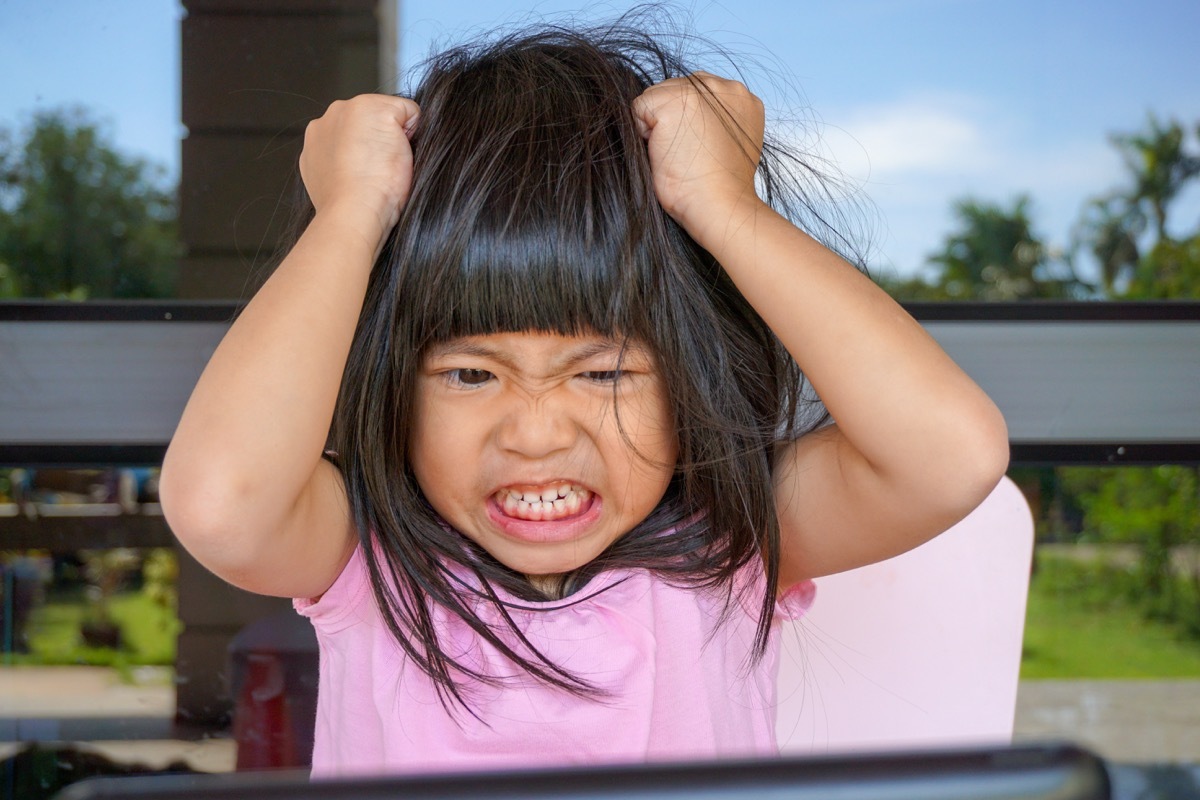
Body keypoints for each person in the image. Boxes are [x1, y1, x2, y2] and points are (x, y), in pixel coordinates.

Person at [160, 14, 1009, 777]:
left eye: (603, 373)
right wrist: (349, 217)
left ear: (689, 377)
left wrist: (723, 206)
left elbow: (949, 456)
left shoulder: (730, 545)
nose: (534, 436)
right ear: (393, 385)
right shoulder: (369, 559)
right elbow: (222, 503)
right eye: (470, 374)